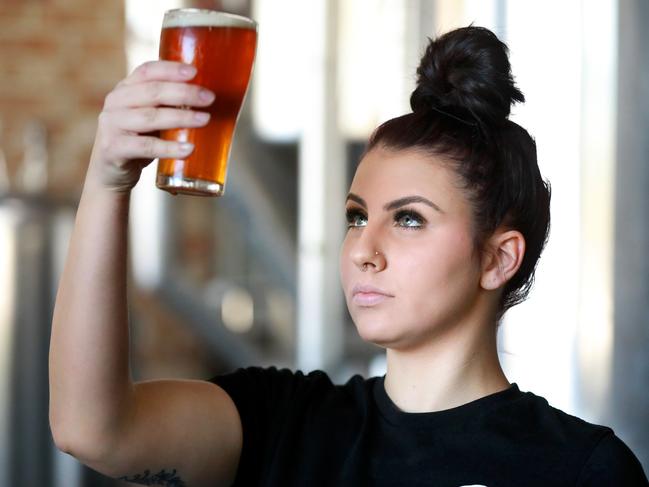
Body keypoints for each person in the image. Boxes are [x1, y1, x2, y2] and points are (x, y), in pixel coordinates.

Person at [48, 25, 647, 487]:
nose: (363, 249)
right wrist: (107, 182)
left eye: (408, 219)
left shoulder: (581, 468)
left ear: (497, 259)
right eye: (357, 216)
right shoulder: (284, 423)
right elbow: (90, 430)